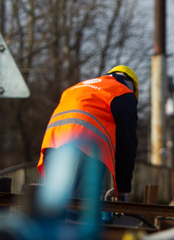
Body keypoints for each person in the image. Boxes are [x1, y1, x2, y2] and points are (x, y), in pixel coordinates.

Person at [37, 65, 139, 205]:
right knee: (79, 212)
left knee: (55, 208)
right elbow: (127, 145)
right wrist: (121, 189)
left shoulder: (76, 87)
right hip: (83, 147)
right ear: (132, 85)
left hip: (51, 145)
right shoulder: (125, 94)